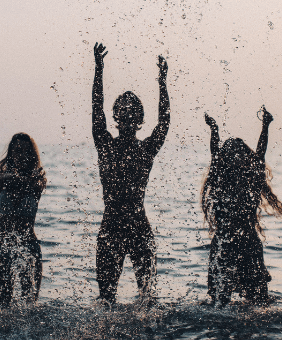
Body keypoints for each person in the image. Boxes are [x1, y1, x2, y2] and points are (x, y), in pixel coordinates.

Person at [91, 42, 170, 305]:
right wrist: (98, 70)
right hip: (120, 223)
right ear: (117, 116)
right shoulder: (108, 145)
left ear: (137, 119)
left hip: (130, 223)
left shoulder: (137, 148)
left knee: (144, 299)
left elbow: (165, 122)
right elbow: (96, 109)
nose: (125, 118)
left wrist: (162, 82)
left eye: (130, 114)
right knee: (108, 299)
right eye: (122, 113)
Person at [201, 107, 282, 306]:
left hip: (235, 243)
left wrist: (265, 126)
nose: (236, 155)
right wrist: (214, 131)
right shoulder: (229, 179)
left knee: (226, 303)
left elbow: (259, 153)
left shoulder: (241, 180)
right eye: (233, 151)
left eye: (239, 151)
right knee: (251, 302)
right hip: (241, 244)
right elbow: (218, 152)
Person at [0, 133, 47, 307]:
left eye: (26, 151)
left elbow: (36, 183)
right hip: (1, 245)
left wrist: (23, 178)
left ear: (32, 155)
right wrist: (18, 177)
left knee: (30, 305)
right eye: (17, 151)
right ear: (11, 154)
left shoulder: (38, 180)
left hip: (28, 244)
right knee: (1, 304)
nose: (21, 155)